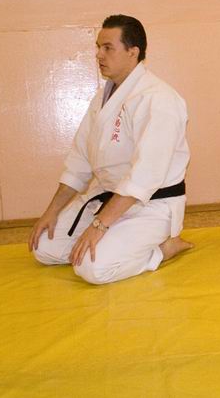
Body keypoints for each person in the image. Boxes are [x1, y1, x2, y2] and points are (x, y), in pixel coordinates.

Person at [28, 15, 192, 284]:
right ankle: (118, 244)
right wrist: (51, 212)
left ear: (133, 52)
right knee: (44, 247)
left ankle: (164, 249)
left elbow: (144, 176)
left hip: (150, 206)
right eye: (98, 47)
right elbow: (79, 161)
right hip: (107, 199)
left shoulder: (159, 99)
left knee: (92, 268)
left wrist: (100, 225)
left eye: (107, 48)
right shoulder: (104, 97)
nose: (99, 55)